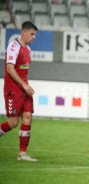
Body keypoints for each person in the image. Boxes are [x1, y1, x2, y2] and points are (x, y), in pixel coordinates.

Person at [0, 21, 38, 161]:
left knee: (28, 117)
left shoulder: (28, 50)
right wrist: (24, 85)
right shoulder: (13, 46)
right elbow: (10, 69)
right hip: (13, 90)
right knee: (13, 122)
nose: (34, 37)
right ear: (24, 33)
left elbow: (22, 72)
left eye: (35, 35)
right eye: (32, 34)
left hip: (24, 89)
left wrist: (26, 86)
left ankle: (22, 154)